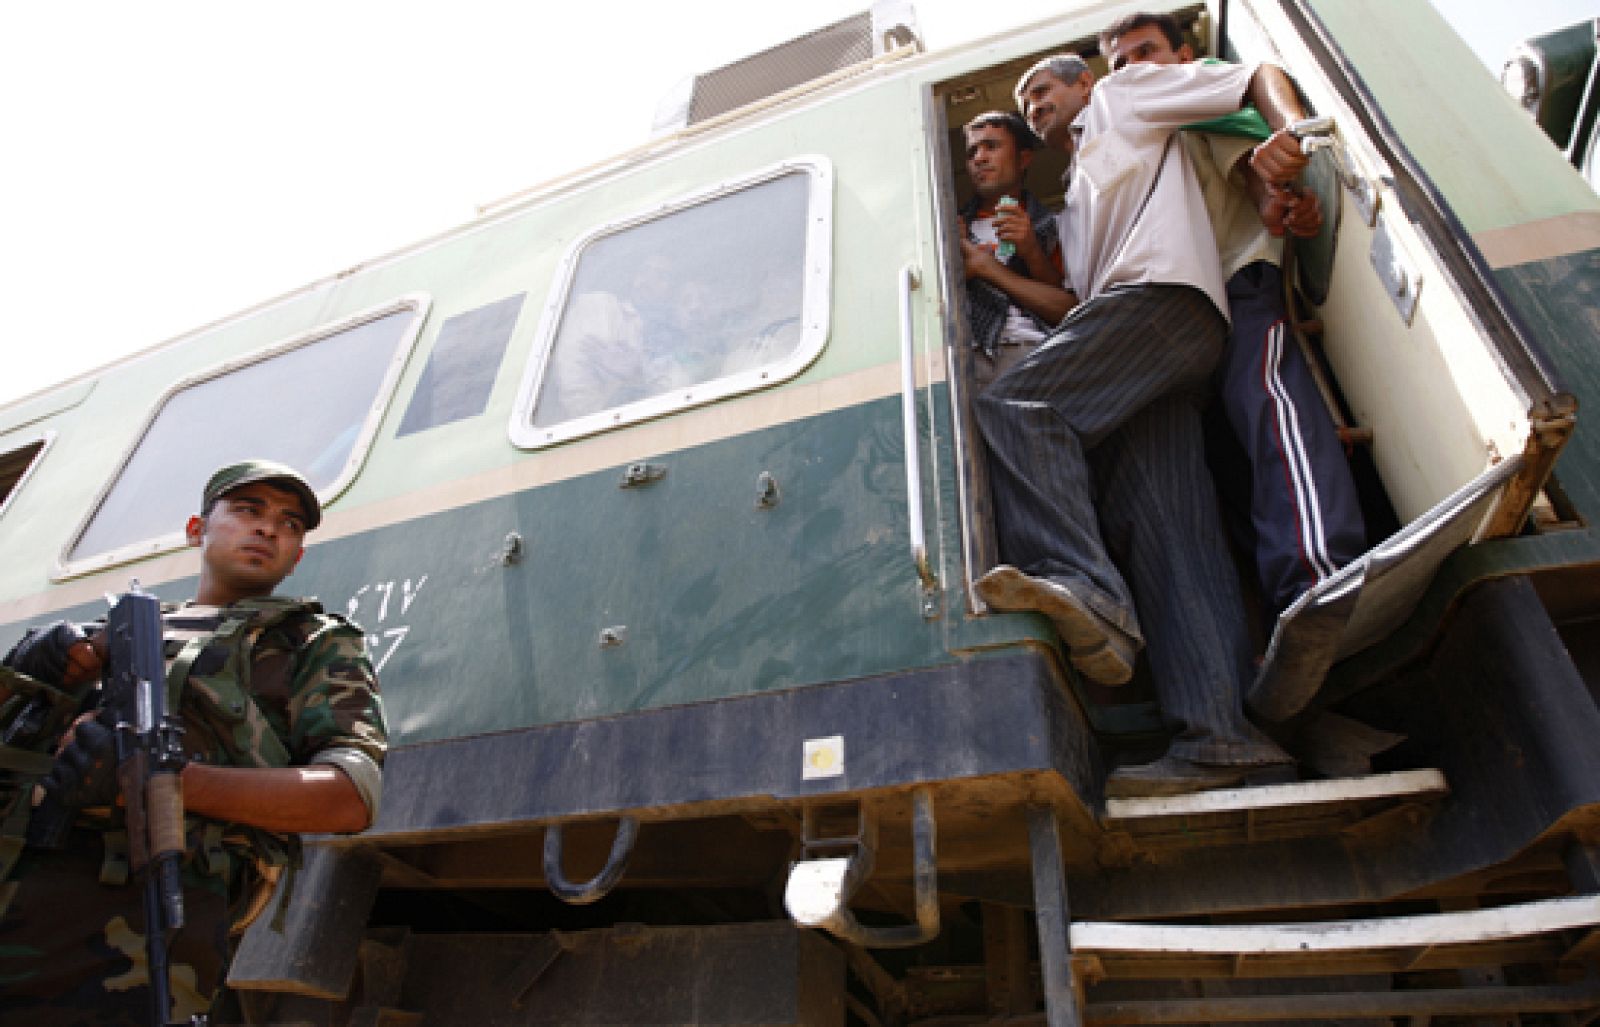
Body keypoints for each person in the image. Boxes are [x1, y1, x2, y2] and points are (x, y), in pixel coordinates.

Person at [975, 50, 1314, 797]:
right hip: (1146, 351)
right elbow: (1074, 307)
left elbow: (1249, 74)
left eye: (1042, 90)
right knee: (1170, 530)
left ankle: (1084, 587)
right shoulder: (1075, 190)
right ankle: (1221, 736)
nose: (1032, 104)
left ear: (1084, 85)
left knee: (1013, 404)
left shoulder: (1123, 97)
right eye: (1024, 99)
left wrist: (1293, 130)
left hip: (1160, 305)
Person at [0, 459, 387, 1024]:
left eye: (289, 524)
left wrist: (165, 781)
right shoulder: (117, 632)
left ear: (297, 555)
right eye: (247, 511)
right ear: (195, 529)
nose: (268, 529)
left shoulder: (313, 643)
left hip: (128, 929)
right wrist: (30, 668)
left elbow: (349, 796)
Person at [1101, 12, 1366, 618]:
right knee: (1226, 458)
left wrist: (1285, 165)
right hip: (1184, 306)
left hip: (1238, 279)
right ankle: (1283, 606)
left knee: (1273, 410)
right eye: (1120, 63)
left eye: (1148, 51)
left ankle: (1320, 579)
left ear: (1185, 53)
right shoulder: (1148, 125)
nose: (1135, 69)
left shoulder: (1198, 93)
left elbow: (1251, 151)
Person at [955, 111, 1075, 390]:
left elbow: (1069, 311)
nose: (979, 159)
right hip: (969, 360)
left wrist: (1031, 251)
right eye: (972, 151)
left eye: (991, 146)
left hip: (1035, 355)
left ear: (1023, 159)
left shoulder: (1054, 225)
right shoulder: (950, 228)